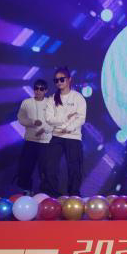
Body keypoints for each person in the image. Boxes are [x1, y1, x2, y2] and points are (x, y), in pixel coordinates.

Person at [44, 67, 87, 196]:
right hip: (56, 137)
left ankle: (74, 195)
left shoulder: (78, 98)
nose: (59, 82)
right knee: (50, 167)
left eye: (62, 79)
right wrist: (66, 118)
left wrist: (67, 128)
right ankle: (52, 195)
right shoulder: (52, 99)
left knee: (74, 168)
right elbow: (49, 119)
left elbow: (81, 118)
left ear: (69, 80)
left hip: (73, 137)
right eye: (56, 80)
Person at [15, 79, 53, 194]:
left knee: (45, 169)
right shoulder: (27, 102)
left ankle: (46, 193)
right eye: (36, 88)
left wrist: (44, 129)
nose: (38, 91)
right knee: (25, 168)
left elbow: (54, 121)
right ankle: (26, 190)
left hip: (45, 142)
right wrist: (32, 122)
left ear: (46, 90)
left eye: (41, 89)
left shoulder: (50, 103)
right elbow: (20, 118)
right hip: (30, 141)